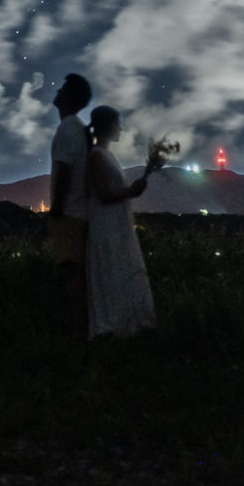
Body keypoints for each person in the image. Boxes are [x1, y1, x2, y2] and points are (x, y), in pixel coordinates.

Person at [82, 105, 164, 337]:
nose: (121, 128)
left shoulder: (105, 154)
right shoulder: (97, 156)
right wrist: (131, 192)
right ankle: (114, 325)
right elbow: (103, 195)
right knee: (112, 266)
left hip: (115, 221)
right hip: (107, 222)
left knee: (118, 266)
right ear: (109, 126)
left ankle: (124, 323)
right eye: (118, 123)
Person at [46, 74, 93, 330]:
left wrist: (57, 208)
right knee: (76, 272)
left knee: (70, 272)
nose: (58, 91)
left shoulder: (67, 129)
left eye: (63, 89)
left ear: (70, 97)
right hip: (79, 211)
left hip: (70, 213)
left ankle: (76, 329)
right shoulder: (77, 129)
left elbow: (64, 169)